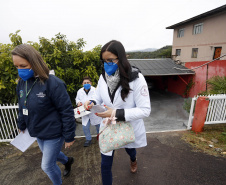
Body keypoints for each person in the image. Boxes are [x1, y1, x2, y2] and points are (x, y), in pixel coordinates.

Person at [84, 40, 151, 185]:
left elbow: (145, 110)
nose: (106, 64)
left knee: (129, 149)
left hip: (127, 125)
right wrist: (93, 102)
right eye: (104, 61)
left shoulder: (137, 78)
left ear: (120, 58)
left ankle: (133, 160)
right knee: (105, 165)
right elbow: (98, 96)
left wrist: (115, 113)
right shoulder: (103, 77)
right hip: (109, 126)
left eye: (110, 60)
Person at [12, 44, 76, 185]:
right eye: (16, 66)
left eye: (23, 65)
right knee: (52, 155)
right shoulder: (22, 83)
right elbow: (22, 105)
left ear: (34, 62)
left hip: (53, 132)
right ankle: (68, 161)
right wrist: (21, 124)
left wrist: (69, 135)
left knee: (47, 165)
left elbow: (66, 111)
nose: (19, 70)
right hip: (37, 131)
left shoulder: (53, 83)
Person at [76, 76, 101, 147]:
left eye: (88, 82)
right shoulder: (79, 91)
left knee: (98, 125)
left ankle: (100, 138)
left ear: (91, 83)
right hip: (85, 112)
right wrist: (78, 103)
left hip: (94, 111)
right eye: (85, 83)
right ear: (82, 84)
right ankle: (88, 139)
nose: (86, 84)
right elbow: (77, 99)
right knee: (85, 127)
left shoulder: (95, 90)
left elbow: (98, 99)